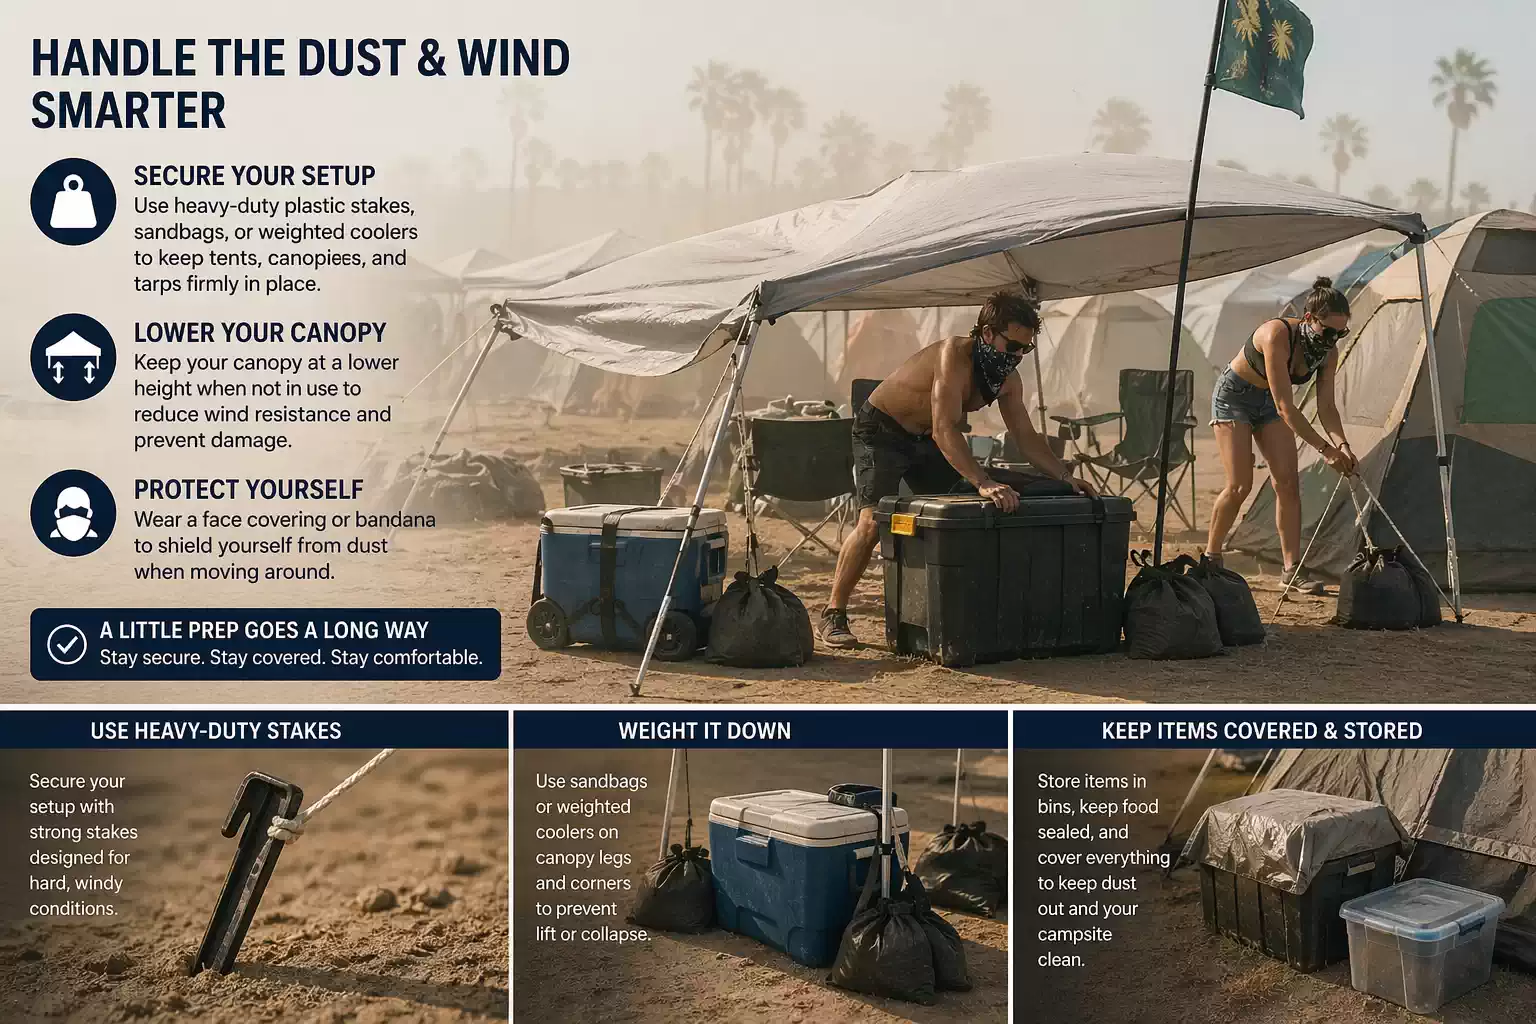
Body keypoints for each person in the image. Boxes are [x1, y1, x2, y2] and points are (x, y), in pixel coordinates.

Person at [817, 290, 1097, 648]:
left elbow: (1026, 437)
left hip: (925, 438)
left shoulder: (1008, 380)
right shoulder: (953, 356)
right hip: (881, 430)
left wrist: (1064, 477)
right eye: (1012, 346)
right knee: (872, 523)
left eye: (1025, 350)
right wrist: (982, 481)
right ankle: (833, 613)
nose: (1016, 357)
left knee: (957, 506)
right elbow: (945, 428)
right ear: (987, 333)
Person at [1205, 276, 1358, 594]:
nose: (1332, 339)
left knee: (1287, 483)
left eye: (1340, 333)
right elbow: (1286, 407)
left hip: (1271, 403)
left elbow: (1327, 407)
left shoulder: (1327, 353)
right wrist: (1325, 450)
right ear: (1309, 318)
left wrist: (1342, 445)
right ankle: (1211, 558)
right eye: (1328, 331)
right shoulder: (1277, 335)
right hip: (1235, 397)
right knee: (1240, 485)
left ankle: (1291, 569)